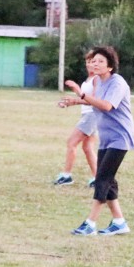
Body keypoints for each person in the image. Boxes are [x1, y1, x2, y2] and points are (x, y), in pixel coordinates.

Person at [63, 46, 134, 236]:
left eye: (100, 61)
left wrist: (81, 94)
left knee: (102, 178)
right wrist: (75, 101)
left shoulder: (117, 82)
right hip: (106, 138)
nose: (95, 64)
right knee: (108, 179)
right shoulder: (98, 81)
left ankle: (90, 224)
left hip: (120, 138)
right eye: (94, 61)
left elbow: (106, 105)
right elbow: (94, 101)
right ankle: (119, 222)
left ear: (110, 66)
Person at [54, 52, 98, 187]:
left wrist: (75, 94)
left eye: (93, 62)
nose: (89, 65)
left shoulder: (96, 79)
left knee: (71, 142)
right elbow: (84, 97)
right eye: (88, 62)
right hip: (88, 115)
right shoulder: (88, 79)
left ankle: (66, 176)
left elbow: (94, 101)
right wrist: (71, 99)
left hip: (92, 115)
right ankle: (98, 178)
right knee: (87, 147)